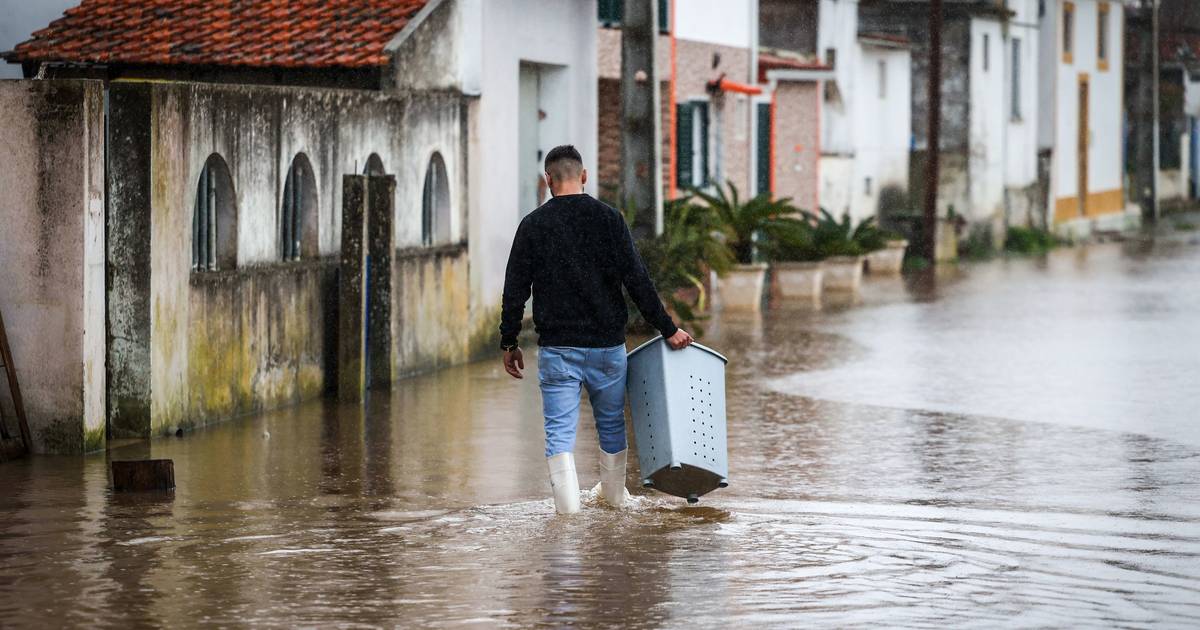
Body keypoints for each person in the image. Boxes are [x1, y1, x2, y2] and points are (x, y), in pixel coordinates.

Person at [499, 144, 694, 515]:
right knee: (611, 427)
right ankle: (616, 504)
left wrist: (509, 342)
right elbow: (637, 280)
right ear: (584, 176)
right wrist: (668, 329)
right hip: (607, 348)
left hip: (558, 348)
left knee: (559, 434)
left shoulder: (533, 225)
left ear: (548, 179)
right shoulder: (609, 219)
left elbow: (514, 290)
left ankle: (567, 519)